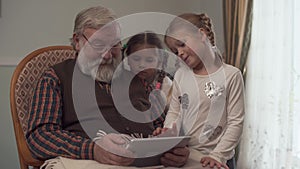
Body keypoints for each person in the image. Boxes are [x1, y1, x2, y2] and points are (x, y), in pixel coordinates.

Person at [26, 6, 189, 168]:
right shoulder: (56, 78)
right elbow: (40, 137)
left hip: (150, 161)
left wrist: (174, 148)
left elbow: (164, 126)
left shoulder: (136, 79)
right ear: (77, 41)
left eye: (114, 45)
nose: (107, 55)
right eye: (98, 45)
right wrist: (92, 149)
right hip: (92, 162)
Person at [153, 13, 245, 169]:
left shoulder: (231, 75)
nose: (180, 53)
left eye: (182, 44)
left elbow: (235, 122)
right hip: (188, 157)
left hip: (216, 159)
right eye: (175, 51)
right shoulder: (181, 75)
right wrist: (169, 133)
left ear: (202, 34)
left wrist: (218, 155)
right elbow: (175, 112)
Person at [121, 31, 173, 129]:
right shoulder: (123, 82)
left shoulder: (166, 85)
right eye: (136, 59)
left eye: (149, 60)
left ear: (159, 62)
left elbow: (175, 115)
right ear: (127, 59)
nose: (142, 65)